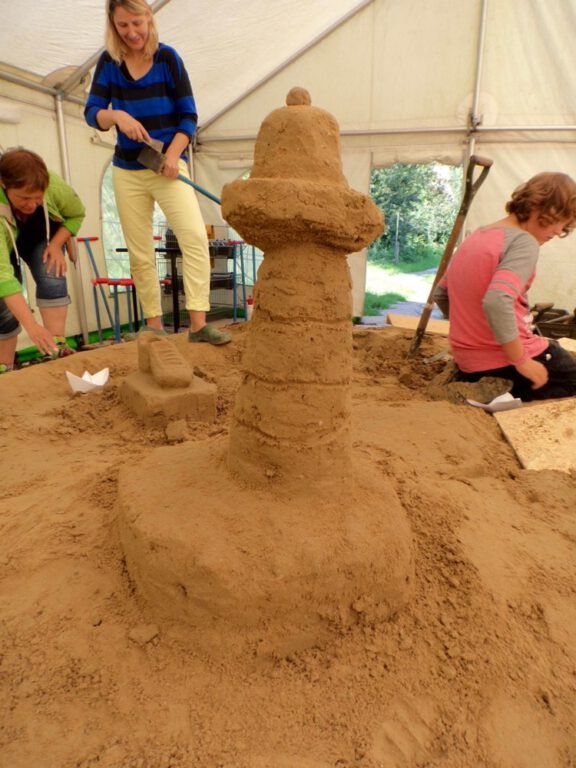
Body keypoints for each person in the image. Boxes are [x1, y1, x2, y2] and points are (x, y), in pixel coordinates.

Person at [84, 0, 230, 345]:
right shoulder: (109, 63)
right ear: (112, 25)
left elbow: (188, 116)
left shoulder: (168, 59)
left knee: (194, 238)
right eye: (123, 26)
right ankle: (154, 325)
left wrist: (173, 156)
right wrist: (116, 117)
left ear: (149, 18)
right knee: (139, 250)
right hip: (127, 170)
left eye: (137, 22)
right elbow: (92, 113)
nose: (132, 32)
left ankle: (198, 325)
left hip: (167, 164)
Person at [434, 171, 576, 401]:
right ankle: (505, 390)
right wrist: (521, 360)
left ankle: (476, 383)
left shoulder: (477, 236)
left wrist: (474, 334)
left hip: (468, 362)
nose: (560, 231)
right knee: (570, 375)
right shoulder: (523, 242)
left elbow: (441, 294)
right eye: (560, 220)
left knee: (547, 345)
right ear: (541, 207)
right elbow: (498, 299)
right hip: (503, 361)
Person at [0, 148, 86, 373]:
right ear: (4, 184)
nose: (31, 205)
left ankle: (56, 347)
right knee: (3, 305)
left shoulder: (54, 186)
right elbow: (3, 280)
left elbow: (77, 214)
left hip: (40, 237)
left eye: (38, 198)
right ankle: (5, 367)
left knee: (52, 271)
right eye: (24, 198)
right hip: (5, 244)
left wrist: (57, 243)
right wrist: (32, 327)